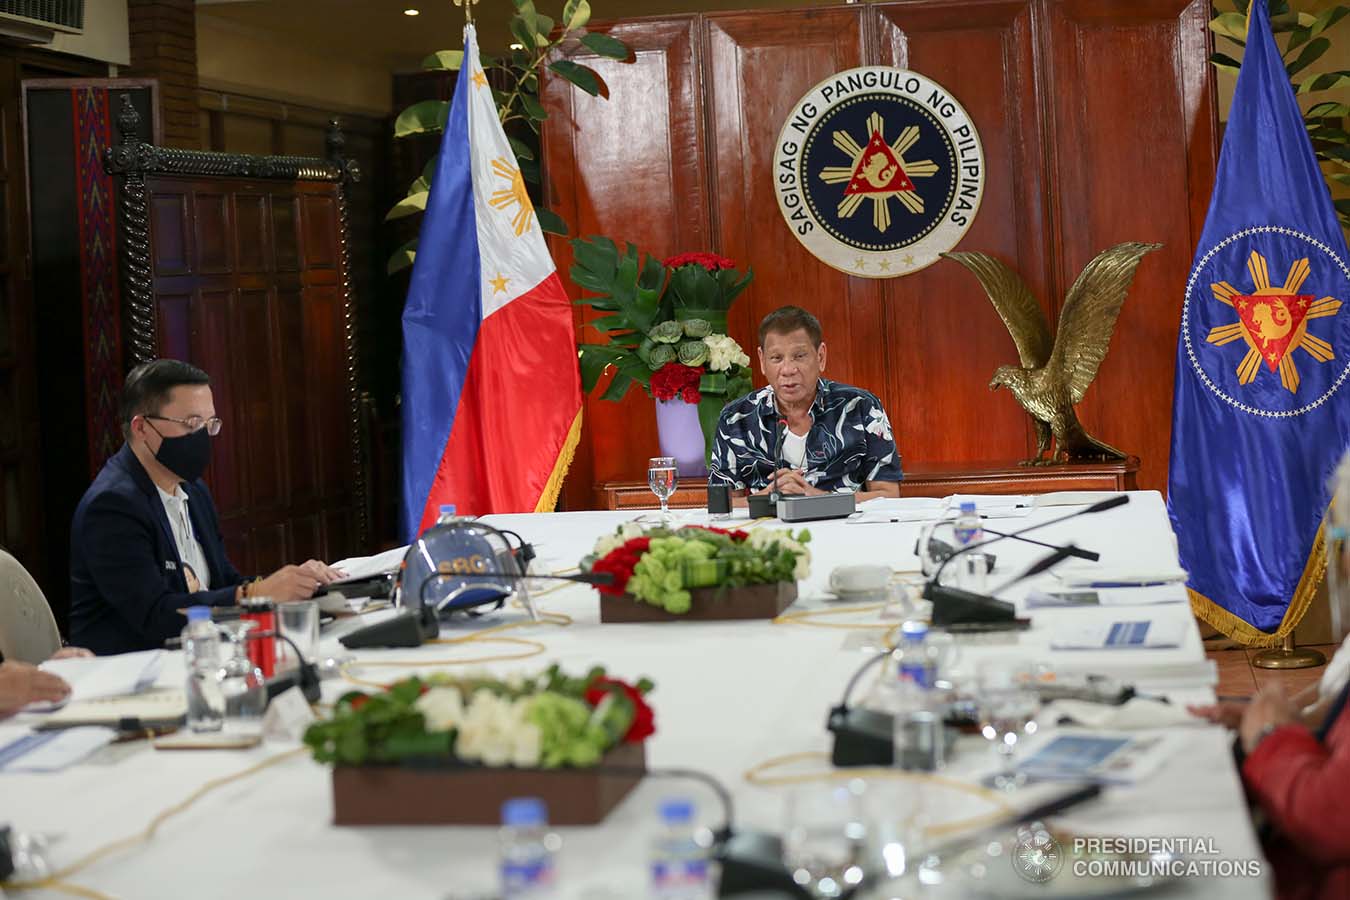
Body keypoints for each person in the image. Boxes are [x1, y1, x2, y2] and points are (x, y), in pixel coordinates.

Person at [69, 360, 342, 656]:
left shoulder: (193, 489)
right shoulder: (113, 507)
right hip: (129, 671)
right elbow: (155, 615)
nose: (202, 437)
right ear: (142, 427)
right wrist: (256, 594)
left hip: (196, 655)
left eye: (209, 424)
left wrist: (295, 584)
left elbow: (225, 582)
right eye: (191, 423)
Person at [708, 306, 901, 501]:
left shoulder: (861, 407)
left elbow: (888, 495)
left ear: (821, 356)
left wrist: (816, 498)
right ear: (762, 360)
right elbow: (720, 504)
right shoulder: (736, 418)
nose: (788, 369)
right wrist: (768, 497)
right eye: (776, 358)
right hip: (769, 529)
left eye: (799, 356)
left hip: (842, 527)